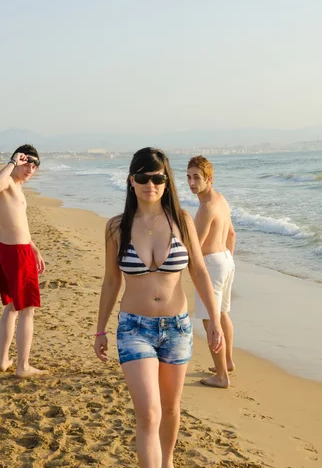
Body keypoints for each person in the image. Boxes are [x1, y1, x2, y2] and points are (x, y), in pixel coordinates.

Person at [94, 147, 223, 468]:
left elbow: (199, 272)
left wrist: (216, 321)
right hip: (133, 329)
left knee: (170, 409)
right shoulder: (116, 227)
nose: (150, 184)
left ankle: (167, 463)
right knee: (149, 412)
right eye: (142, 177)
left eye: (158, 178)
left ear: (167, 181)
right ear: (131, 181)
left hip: (177, 328)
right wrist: (100, 329)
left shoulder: (181, 220)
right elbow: (111, 281)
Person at [0, 144, 46, 378]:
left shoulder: (19, 187)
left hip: (7, 250)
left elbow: (20, 223)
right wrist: (13, 161)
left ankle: (4, 361)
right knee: (27, 311)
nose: (30, 169)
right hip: (14, 253)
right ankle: (23, 366)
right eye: (26, 163)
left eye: (34, 165)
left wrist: (34, 247)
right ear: (16, 161)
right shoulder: (8, 182)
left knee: (12, 306)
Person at [187, 155, 236, 389]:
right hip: (226, 259)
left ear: (209, 178)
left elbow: (195, 246)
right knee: (223, 314)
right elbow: (232, 234)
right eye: (188, 177)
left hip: (213, 264)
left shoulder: (206, 208)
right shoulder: (222, 200)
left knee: (210, 320)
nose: (191, 182)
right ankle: (226, 363)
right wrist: (227, 261)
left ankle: (221, 377)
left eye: (197, 177)